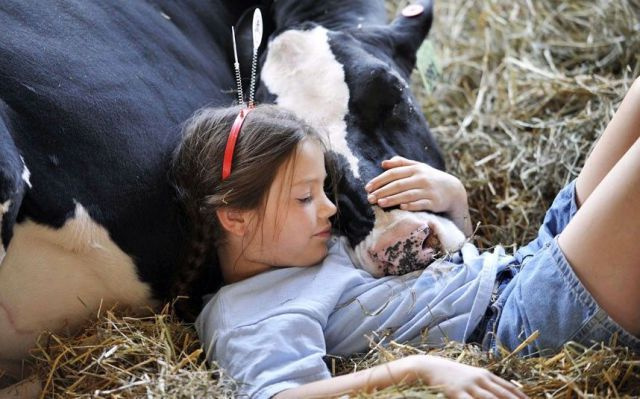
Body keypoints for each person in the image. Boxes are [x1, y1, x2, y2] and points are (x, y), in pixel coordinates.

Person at [170, 76, 640, 398]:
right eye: (303, 198)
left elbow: (440, 287)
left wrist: (456, 202)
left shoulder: (310, 250)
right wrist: (417, 370)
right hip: (526, 325)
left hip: (525, 264)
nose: (330, 208)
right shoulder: (244, 313)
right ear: (235, 219)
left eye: (323, 190)